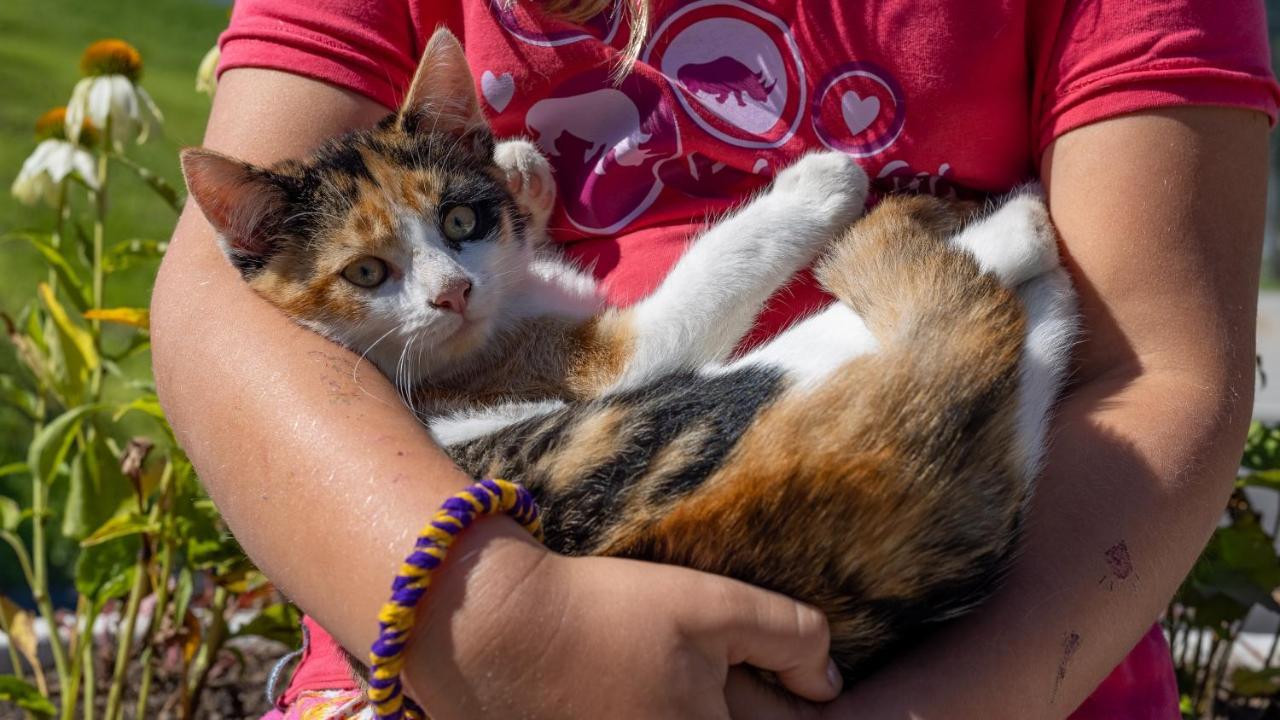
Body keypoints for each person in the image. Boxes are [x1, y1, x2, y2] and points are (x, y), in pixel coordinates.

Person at [150, 0, 1280, 717]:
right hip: (446, 650)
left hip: (988, 656)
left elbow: (1157, 371)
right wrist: (504, 627)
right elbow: (219, 308)